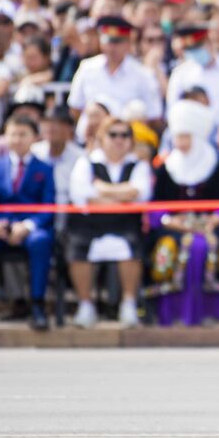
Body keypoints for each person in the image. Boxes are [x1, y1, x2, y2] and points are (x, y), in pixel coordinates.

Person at [148, 99, 219, 327]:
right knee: (185, 247)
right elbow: (154, 208)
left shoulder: (215, 165)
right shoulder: (167, 167)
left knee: (204, 246)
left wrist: (216, 218)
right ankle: (173, 311)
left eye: (185, 137)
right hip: (175, 229)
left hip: (210, 227)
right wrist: (170, 220)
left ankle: (211, 311)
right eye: (178, 137)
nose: (181, 143)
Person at [66, 114, 153, 329]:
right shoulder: (86, 162)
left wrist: (103, 189)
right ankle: (85, 305)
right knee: (77, 246)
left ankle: (129, 304)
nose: (119, 139)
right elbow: (81, 195)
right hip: (91, 225)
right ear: (102, 138)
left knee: (132, 245)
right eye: (113, 134)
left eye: (125, 135)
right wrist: (121, 196)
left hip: (125, 224)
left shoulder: (138, 165)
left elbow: (140, 193)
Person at [0, 115, 56, 331]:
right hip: (0, 228)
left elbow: (48, 207)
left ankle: (37, 305)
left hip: (30, 228)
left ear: (34, 138)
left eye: (23, 134)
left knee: (41, 242)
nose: (18, 139)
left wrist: (27, 226)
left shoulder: (44, 169)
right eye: (13, 134)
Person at [66, 16, 163, 126]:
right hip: (92, 136)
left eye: (118, 41)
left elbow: (154, 115)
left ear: (128, 43)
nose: (112, 47)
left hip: (128, 137)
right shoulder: (87, 68)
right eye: (107, 40)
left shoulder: (143, 74)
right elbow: (75, 108)